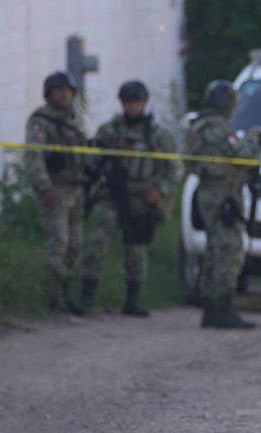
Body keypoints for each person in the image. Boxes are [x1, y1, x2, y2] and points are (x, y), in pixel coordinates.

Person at [83, 80, 184, 316]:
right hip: (112, 193)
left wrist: (159, 189)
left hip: (141, 196)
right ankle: (87, 295)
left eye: (136, 102)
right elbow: (91, 161)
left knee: (136, 246)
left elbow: (174, 168)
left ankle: (133, 298)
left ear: (144, 103)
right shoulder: (110, 130)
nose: (132, 107)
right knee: (99, 240)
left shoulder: (156, 135)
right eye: (128, 102)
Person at [185, 80, 261, 329]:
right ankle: (222, 308)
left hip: (210, 191)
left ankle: (211, 308)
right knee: (228, 249)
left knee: (215, 249)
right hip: (221, 193)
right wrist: (253, 140)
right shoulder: (216, 127)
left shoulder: (198, 124)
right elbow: (243, 153)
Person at [25, 70, 89, 314]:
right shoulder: (41, 122)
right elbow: (34, 156)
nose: (63, 95)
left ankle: (64, 290)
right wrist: (44, 188)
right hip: (56, 189)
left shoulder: (74, 121)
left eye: (67, 91)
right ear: (49, 94)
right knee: (58, 244)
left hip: (76, 189)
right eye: (58, 90)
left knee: (75, 246)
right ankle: (57, 297)